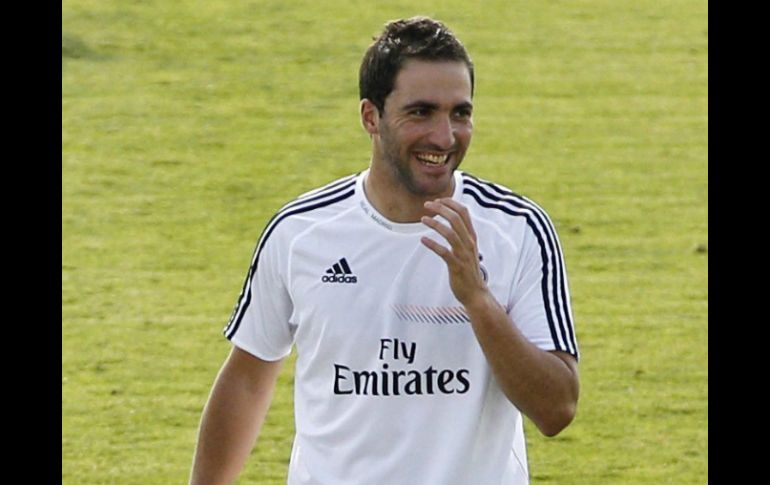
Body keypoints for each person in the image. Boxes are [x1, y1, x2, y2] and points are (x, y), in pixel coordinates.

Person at [190, 16, 579, 485]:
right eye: (421, 112)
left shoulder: (515, 230)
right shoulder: (302, 234)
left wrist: (478, 299)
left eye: (460, 113)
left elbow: (557, 408)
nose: (445, 136)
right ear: (370, 117)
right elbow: (248, 378)